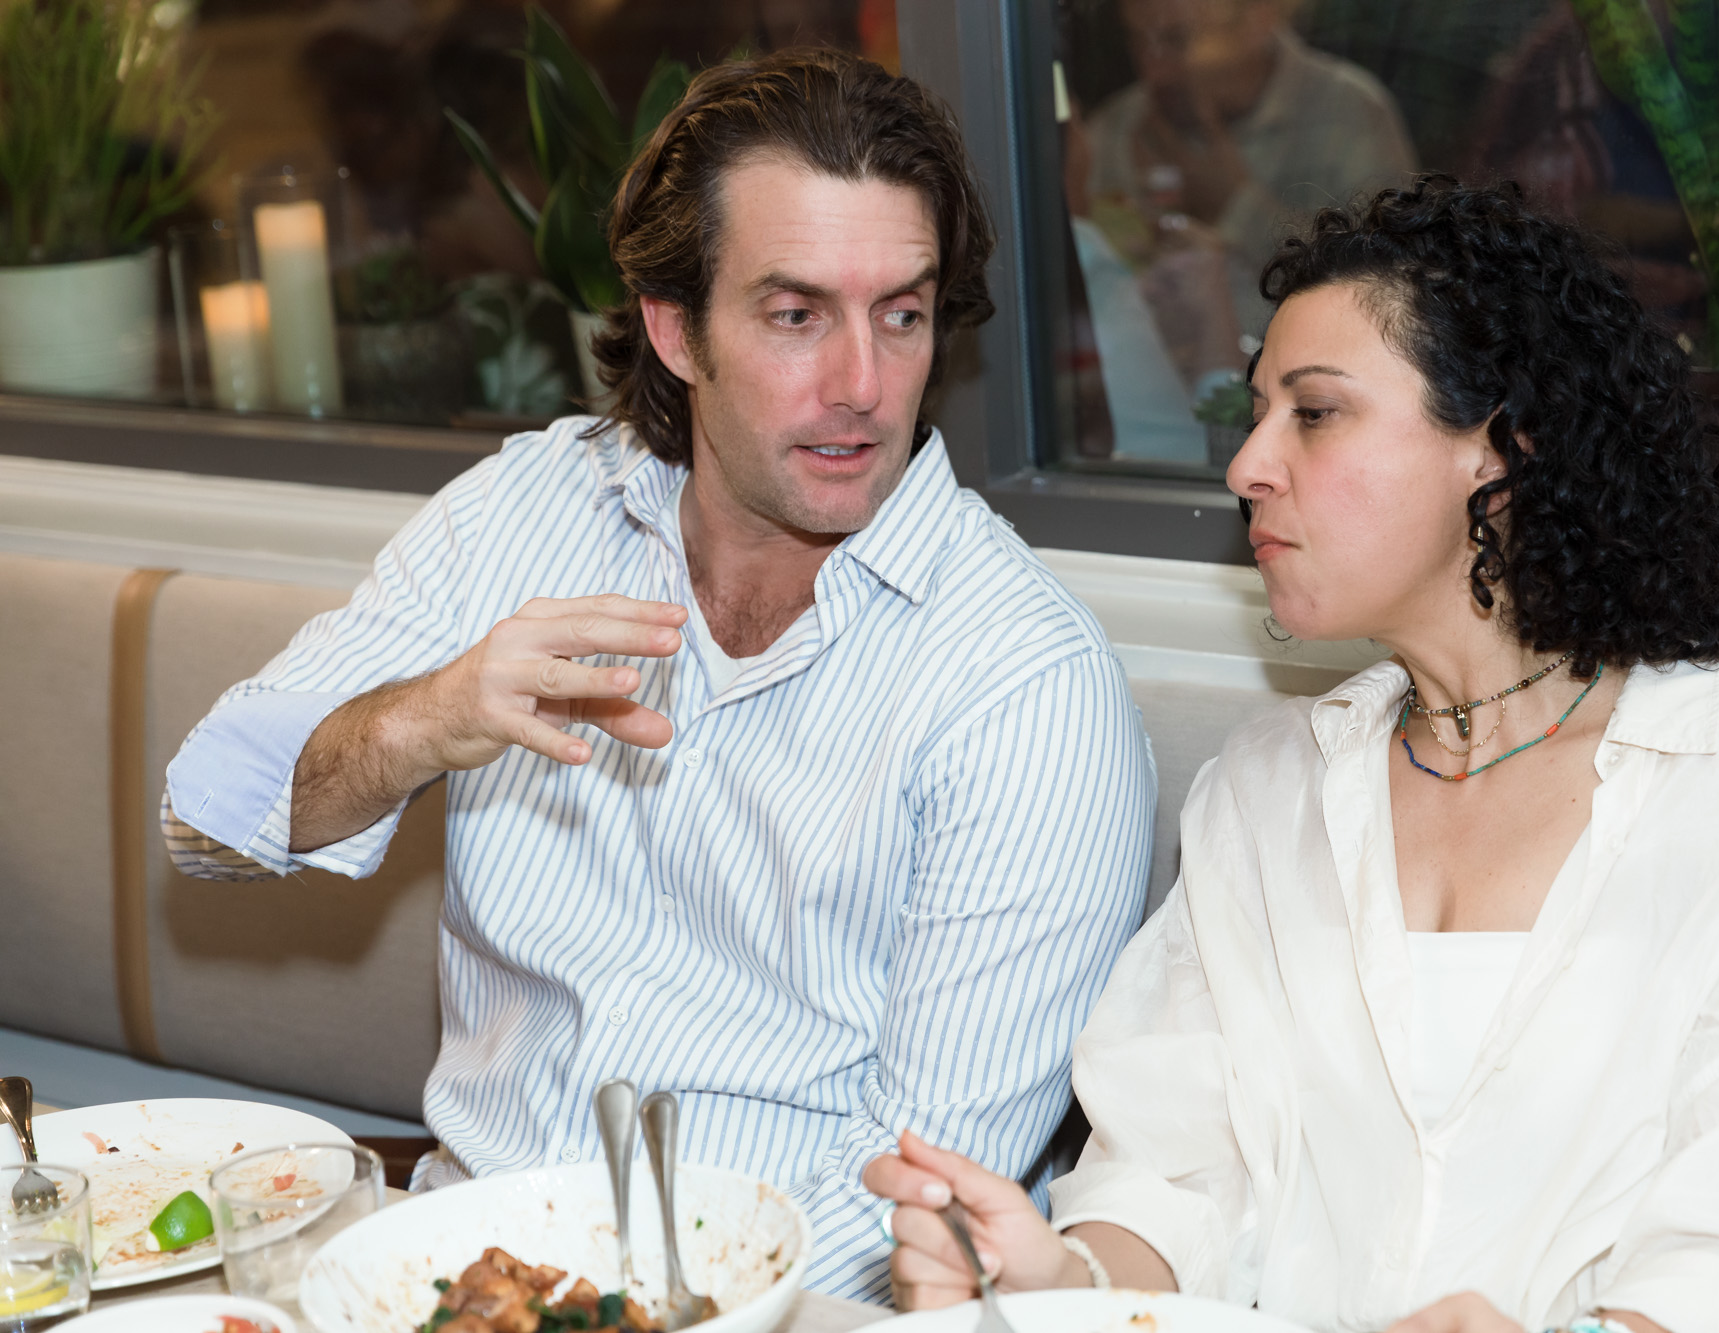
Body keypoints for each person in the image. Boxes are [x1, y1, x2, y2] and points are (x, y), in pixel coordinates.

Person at [161, 49, 1156, 1301]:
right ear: (675, 329)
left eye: (900, 315)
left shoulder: (1023, 680)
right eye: (796, 316)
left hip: (783, 1307)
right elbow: (204, 818)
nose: (861, 385)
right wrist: (427, 719)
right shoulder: (523, 511)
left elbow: (921, 1195)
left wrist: (619, 1317)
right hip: (462, 1272)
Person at [866, 178, 1719, 1332]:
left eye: (1312, 412)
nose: (1244, 466)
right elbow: (1171, 1174)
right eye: (1256, 412)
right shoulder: (1265, 790)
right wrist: (1060, 1282)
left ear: (1502, 447)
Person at [1083, 0, 1417, 341]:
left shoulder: (1350, 116)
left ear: (1258, 18)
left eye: (1177, 39)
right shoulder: (1114, 130)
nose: (1154, 70)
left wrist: (1235, 202)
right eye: (1137, 39)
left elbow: (1390, 289)